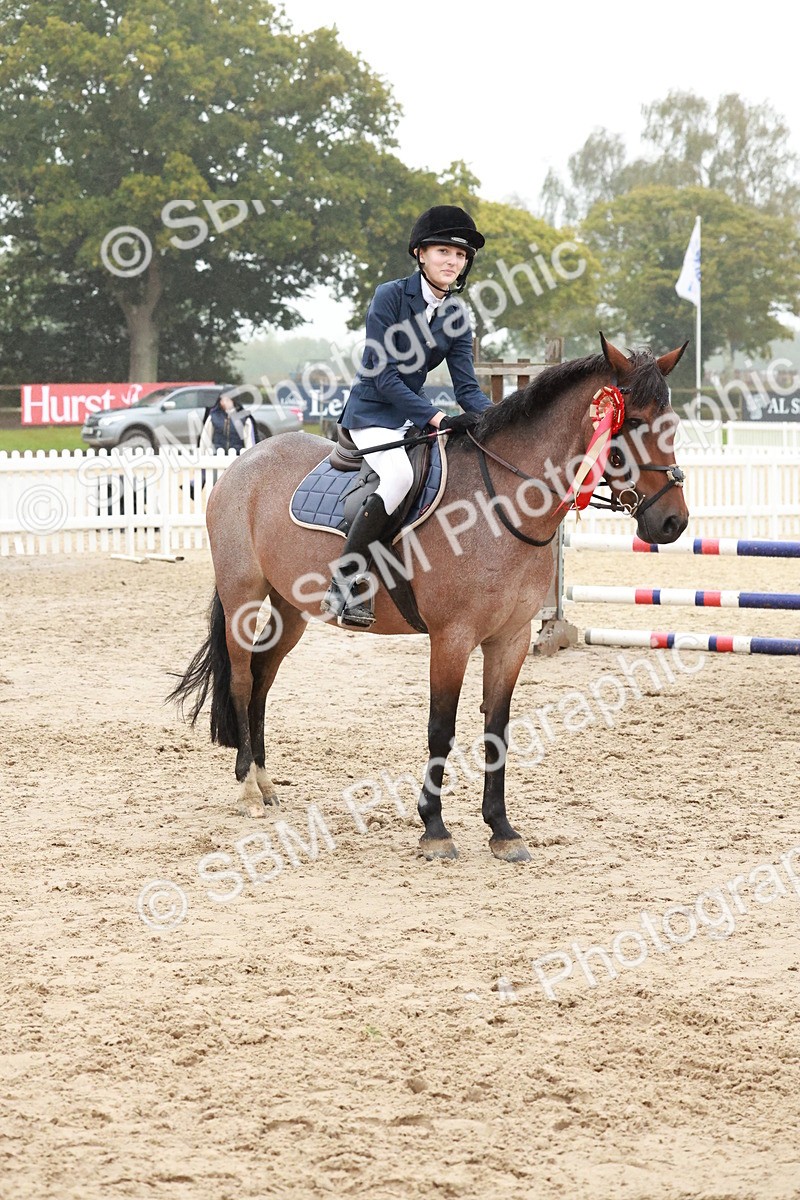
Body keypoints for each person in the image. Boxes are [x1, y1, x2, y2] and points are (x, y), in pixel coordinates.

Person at [321, 204, 492, 628]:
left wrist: (499, 420)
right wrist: (436, 419)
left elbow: (467, 388)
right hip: (370, 413)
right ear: (420, 254)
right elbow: (382, 377)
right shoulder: (390, 296)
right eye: (444, 252)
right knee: (398, 477)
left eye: (461, 255)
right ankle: (345, 581)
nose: (453, 261)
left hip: (408, 418)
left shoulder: (456, 315)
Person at [198, 389, 258, 455]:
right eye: (222, 400)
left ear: (233, 400)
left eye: (227, 400)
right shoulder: (213, 416)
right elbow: (205, 437)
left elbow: (249, 441)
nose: (223, 403)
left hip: (237, 456)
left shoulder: (244, 418)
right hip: (217, 456)